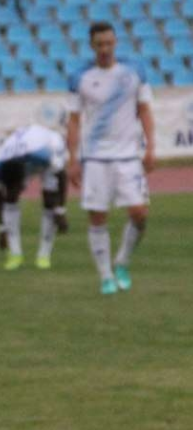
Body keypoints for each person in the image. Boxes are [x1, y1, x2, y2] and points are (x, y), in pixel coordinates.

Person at [66, 21, 155, 295]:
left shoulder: (134, 71)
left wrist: (151, 147)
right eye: (99, 44)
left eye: (108, 43)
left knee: (139, 213)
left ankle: (122, 262)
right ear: (91, 46)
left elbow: (144, 110)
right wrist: (72, 159)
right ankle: (105, 276)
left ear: (115, 42)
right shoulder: (80, 77)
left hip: (128, 156)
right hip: (95, 157)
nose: (105, 49)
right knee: (97, 217)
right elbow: (74, 120)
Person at [0, 124, 70, 271]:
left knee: (49, 200)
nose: (19, 191)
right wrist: (1, 228)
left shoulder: (46, 155)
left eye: (19, 187)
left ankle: (44, 256)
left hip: (46, 146)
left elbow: (62, 176)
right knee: (10, 198)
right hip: (22, 155)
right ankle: (15, 255)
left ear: (23, 178)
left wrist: (61, 209)